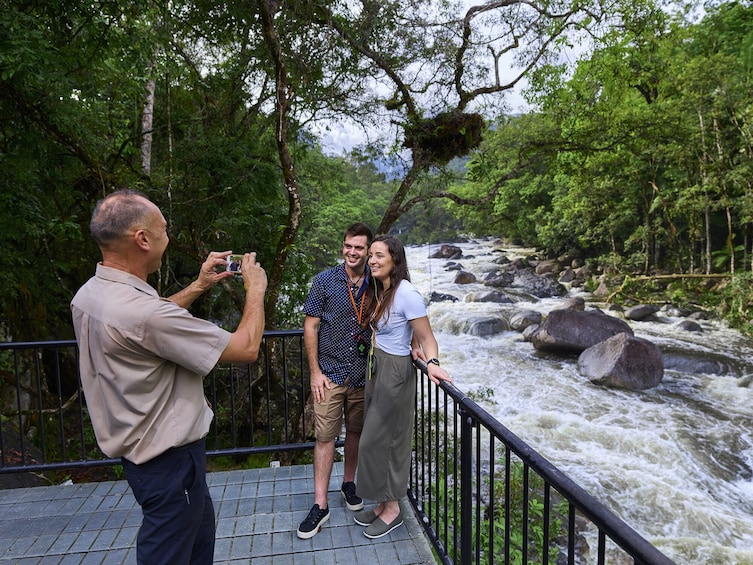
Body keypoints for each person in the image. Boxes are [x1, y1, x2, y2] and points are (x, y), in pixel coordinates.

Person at [70, 189, 267, 565]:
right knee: (171, 553)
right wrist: (255, 291)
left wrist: (198, 285)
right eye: (163, 229)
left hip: (144, 459)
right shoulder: (144, 315)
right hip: (171, 463)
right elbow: (246, 348)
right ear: (142, 239)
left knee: (196, 540)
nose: (168, 237)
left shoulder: (90, 295)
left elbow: (146, 321)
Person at [354, 234, 452, 539]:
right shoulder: (382, 290)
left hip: (395, 373)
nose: (372, 260)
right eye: (371, 255)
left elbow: (428, 337)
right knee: (377, 441)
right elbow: (401, 330)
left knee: (385, 442)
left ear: (395, 260)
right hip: (377, 365)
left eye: (379, 255)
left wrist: (432, 364)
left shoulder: (407, 293)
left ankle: (393, 509)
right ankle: (385, 504)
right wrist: (410, 341)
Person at [296, 222, 374, 539]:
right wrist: (314, 372)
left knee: (355, 432)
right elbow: (310, 326)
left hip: (361, 374)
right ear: (342, 247)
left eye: (359, 247)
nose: (352, 252)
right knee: (325, 437)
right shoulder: (324, 281)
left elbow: (398, 314)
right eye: (348, 246)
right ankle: (320, 505)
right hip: (328, 374)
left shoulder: (376, 282)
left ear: (369, 250)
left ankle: (348, 483)